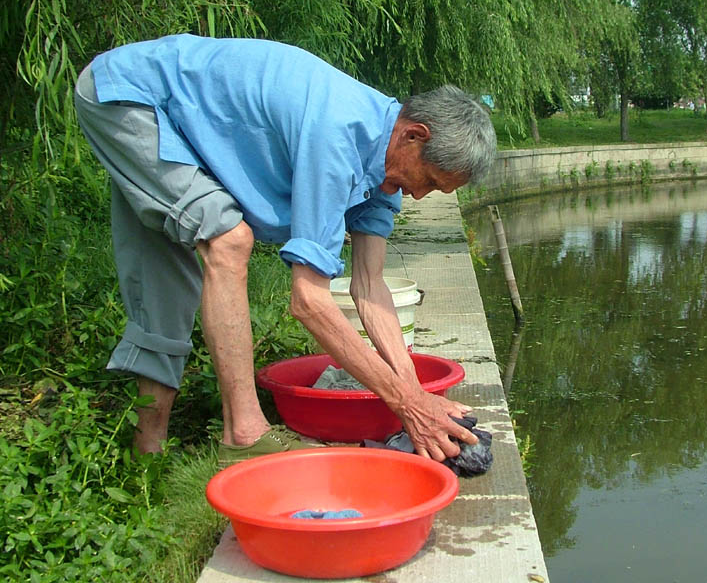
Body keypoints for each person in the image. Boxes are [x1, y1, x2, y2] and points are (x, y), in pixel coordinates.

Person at [73, 34, 496, 465]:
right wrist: (406, 404)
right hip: (131, 97)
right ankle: (243, 434)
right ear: (414, 136)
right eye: (428, 180)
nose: (420, 197)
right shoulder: (337, 135)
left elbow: (369, 287)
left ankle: (147, 455)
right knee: (228, 240)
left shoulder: (386, 164)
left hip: (175, 117)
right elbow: (308, 301)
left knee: (169, 269)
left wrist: (417, 395)